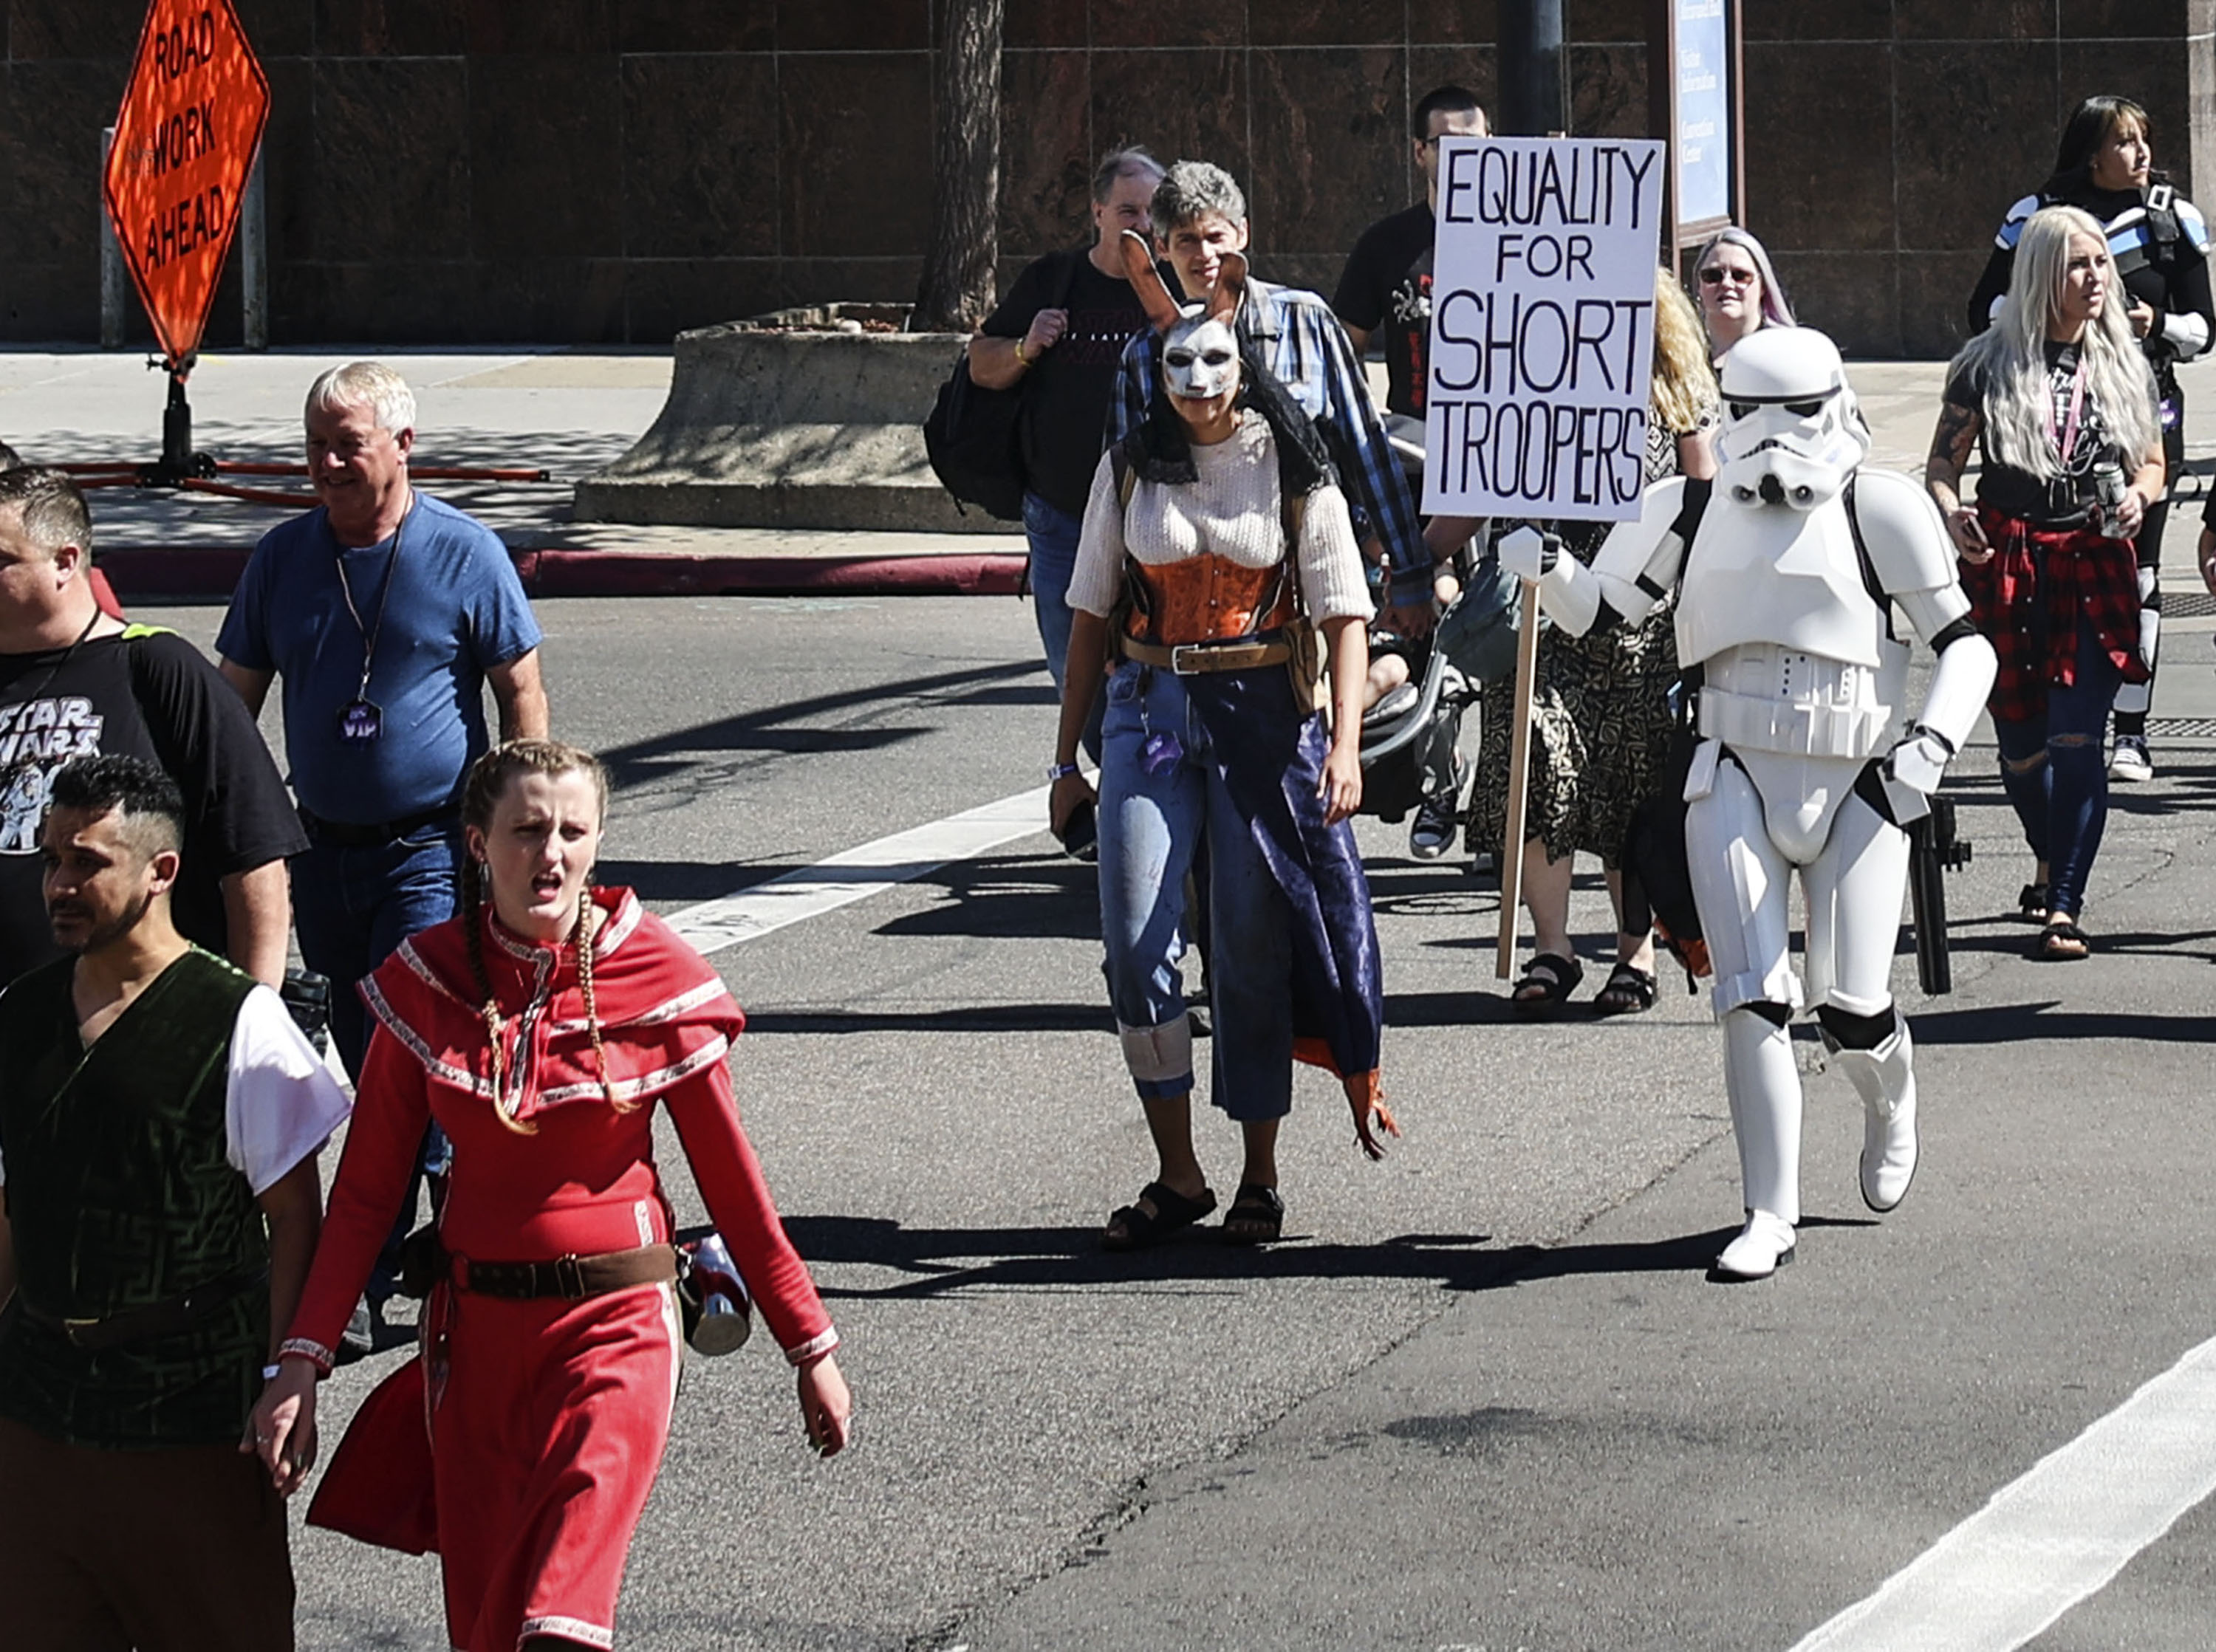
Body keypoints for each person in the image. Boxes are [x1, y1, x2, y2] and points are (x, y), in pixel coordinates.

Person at [250, 738, 850, 1652]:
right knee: (490, 1627)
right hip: (472, 1341)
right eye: (527, 829)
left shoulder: (656, 977)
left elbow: (736, 1189)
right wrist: (302, 1359)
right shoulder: (428, 978)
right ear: (477, 844)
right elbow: (367, 1199)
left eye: (573, 830)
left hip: (617, 1329)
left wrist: (810, 1344)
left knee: (560, 1616)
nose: (552, 852)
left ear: (600, 841)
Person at [1503, 326, 1997, 1280]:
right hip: (1731, 766)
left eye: (1796, 412)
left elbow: (1965, 642)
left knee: (1851, 1008)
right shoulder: (1684, 508)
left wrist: (1926, 752)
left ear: (1835, 404)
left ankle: (1890, 1096)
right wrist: (1547, 563)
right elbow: (1608, 614)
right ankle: (1770, 1209)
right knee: (1752, 1001)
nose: (1773, 437)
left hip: (1861, 776)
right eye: (1752, 412)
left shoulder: (1880, 505)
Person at [1050, 232, 1395, 1250]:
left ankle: (1258, 1173)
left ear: (1245, 366)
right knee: (1137, 949)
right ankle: (1178, 1171)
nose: (1198, 385)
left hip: (1260, 715)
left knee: (1249, 947)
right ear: (1154, 377)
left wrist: (1343, 743)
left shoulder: (1293, 463)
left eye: (1216, 365)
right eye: (1178, 368)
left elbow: (1342, 613)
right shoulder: (1130, 464)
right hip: (1148, 713)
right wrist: (1062, 757)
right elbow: (1086, 614)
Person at [218, 360, 550, 1351]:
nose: (324, 463)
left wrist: (512, 826)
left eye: (345, 445)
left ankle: (369, 1274)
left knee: (408, 1055)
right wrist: (235, 819)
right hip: (319, 851)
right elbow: (233, 701)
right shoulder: (282, 559)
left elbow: (520, 696)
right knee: (379, 1059)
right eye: (314, 444)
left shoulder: (463, 554)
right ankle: (437, 1239)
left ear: (403, 445)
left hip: (429, 848)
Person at [0, 755, 349, 1651]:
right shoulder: (20, 1012)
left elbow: (295, 1217)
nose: (60, 884)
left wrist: (287, 1376)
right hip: (38, 1412)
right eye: (51, 861)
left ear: (161, 871)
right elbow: (13, 1205)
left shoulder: (237, 1018)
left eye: (87, 861)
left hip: (194, 1418)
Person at [1469, 270, 1718, 1016]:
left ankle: (1633, 950)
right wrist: (1419, 566)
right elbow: (1477, 474)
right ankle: (1553, 947)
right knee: (1542, 768)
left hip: (1635, 613)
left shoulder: (1675, 387)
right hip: (1540, 601)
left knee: (1628, 783)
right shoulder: (1526, 372)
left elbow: (1702, 493)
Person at [1931, 205, 2164, 962]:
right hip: (2010, 560)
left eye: (2102, 263)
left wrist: (2140, 495)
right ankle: (2048, 846)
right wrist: (1950, 512)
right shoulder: (1986, 364)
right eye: (2078, 264)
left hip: (2093, 557)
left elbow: (2154, 463)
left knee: (2077, 740)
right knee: (2022, 751)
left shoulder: (2126, 361)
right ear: (2041, 273)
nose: (2096, 278)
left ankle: (2064, 902)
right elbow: (1942, 467)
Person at [1967, 95, 2212, 783]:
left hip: (2145, 413)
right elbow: (1980, 309)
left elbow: (2204, 328)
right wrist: (2046, 311)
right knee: (2050, 570)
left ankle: (2132, 732)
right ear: (2089, 153)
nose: (2141, 155)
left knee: (2141, 568)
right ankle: (2061, 721)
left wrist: (2153, 324)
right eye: (2125, 142)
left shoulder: (2168, 220)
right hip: (2045, 415)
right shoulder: (2036, 219)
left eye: (2145, 140)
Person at [0, 467, 301, 987]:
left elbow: (255, 859)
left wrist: (256, 1017)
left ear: (65, 562)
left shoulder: (155, 667)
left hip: (138, 1023)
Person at [1110, 161, 1434, 641]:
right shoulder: (1145, 356)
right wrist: (1120, 616)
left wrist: (1408, 574)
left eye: (1215, 237)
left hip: (1314, 578)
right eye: (1186, 241)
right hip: (1191, 601)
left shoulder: (1307, 323)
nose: (1205, 254)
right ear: (1161, 249)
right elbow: (1123, 492)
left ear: (1241, 235)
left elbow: (1366, 448)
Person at [971, 148, 1166, 778]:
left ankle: (1142, 800)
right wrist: (1028, 347)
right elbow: (981, 366)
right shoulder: (1053, 280)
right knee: (1075, 677)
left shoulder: (1174, 290)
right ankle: (1116, 794)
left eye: (1152, 211)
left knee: (1152, 670)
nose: (1140, 222)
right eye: (1128, 209)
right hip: (1063, 520)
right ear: (1099, 212)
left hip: (1155, 522)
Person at [1333, 86, 1491, 858]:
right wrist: (1361, 443)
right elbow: (1338, 352)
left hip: (1510, 464)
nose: (1461, 153)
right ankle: (1439, 778)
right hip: (1417, 459)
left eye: (1475, 139)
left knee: (1500, 632)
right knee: (1421, 615)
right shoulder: (1389, 244)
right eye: (1445, 141)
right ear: (1420, 153)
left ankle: (1500, 797)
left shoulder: (1525, 235)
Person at [1692, 226, 1794, 365]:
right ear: (1699, 286)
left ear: (1763, 285)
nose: (1727, 284)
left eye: (1740, 275)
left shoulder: (1787, 353)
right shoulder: (1679, 355)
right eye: (1713, 276)